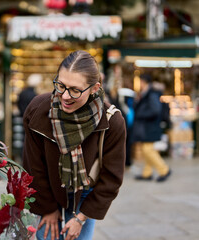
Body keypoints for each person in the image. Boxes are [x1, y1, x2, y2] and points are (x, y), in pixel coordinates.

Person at [22, 50, 126, 240]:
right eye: (61, 85)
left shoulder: (112, 121)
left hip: (85, 195)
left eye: (75, 90)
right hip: (47, 190)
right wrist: (48, 209)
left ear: (95, 88)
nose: (65, 96)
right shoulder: (37, 110)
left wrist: (81, 218)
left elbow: (111, 178)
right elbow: (33, 167)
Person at [132, 74, 171, 182]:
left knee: (147, 150)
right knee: (146, 150)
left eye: (140, 81)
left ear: (144, 82)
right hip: (147, 126)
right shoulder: (145, 94)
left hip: (150, 126)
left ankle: (164, 170)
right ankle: (147, 173)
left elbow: (155, 110)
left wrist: (140, 114)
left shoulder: (151, 94)